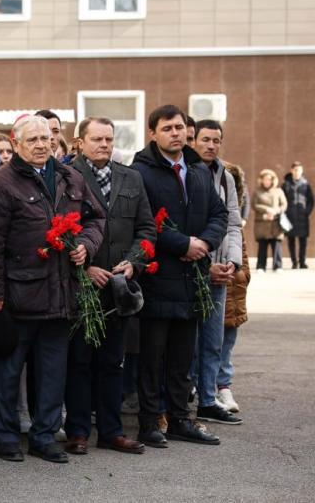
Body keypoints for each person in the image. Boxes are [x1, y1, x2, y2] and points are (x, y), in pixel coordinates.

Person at [0, 115, 104, 464]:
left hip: (61, 294)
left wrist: (86, 245)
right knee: (8, 371)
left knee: (53, 373)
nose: (40, 145)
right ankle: (5, 436)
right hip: (18, 295)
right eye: (32, 139)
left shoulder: (70, 177)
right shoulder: (0, 184)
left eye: (45, 138)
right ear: (15, 143)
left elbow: (96, 218)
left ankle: (44, 437)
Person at [130, 105, 228, 448]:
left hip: (192, 280)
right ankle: (148, 422)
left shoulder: (198, 170)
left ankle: (179, 419)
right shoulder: (141, 173)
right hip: (158, 279)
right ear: (153, 133)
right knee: (152, 358)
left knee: (182, 359)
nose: (176, 133)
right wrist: (183, 243)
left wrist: (204, 243)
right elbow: (143, 222)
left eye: (179, 128)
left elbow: (219, 213)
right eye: (167, 128)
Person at [64, 116, 154, 456]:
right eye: (97, 139)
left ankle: (112, 432)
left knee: (113, 362)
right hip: (81, 286)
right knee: (79, 362)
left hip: (118, 288)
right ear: (80, 142)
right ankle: (77, 432)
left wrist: (134, 262)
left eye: (109, 139)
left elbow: (146, 229)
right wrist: (85, 268)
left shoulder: (131, 178)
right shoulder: (66, 176)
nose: (104, 145)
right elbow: (58, 229)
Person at [187, 120, 243, 426]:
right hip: (190, 267)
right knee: (186, 340)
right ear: (194, 141)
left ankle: (208, 399)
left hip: (221, 270)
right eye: (205, 139)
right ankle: (184, 395)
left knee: (213, 340)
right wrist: (203, 263)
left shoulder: (226, 177)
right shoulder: (185, 171)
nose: (211, 145)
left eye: (216, 140)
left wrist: (232, 262)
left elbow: (233, 223)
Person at [219, 161, 250, 414]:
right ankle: (205, 386)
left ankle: (223, 386)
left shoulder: (234, 221)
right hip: (214, 282)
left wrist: (241, 275)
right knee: (205, 343)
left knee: (226, 342)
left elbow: (243, 255)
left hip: (233, 288)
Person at [252, 169, 288, 272]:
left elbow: (284, 204)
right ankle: (260, 266)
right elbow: (254, 205)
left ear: (273, 180)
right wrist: (266, 210)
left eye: (269, 179)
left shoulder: (278, 191)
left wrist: (275, 211)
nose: (267, 181)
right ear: (261, 180)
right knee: (262, 245)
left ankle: (278, 266)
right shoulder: (257, 191)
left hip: (275, 223)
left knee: (276, 245)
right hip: (262, 222)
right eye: (265, 179)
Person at [282, 162, 312, 269]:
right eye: (295, 170)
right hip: (290, 216)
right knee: (291, 240)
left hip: (303, 217)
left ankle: (302, 262)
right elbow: (282, 199)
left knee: (303, 240)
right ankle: (294, 262)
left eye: (299, 170)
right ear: (291, 170)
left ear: (302, 171)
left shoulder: (306, 184)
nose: (297, 172)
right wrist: (285, 212)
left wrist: (307, 211)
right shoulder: (285, 184)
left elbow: (311, 200)